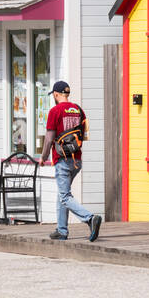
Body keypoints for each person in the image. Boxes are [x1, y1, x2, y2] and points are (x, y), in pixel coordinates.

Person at [39, 80, 102, 242]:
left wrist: (43, 157)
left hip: (62, 160)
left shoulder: (55, 111)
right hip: (77, 160)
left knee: (65, 196)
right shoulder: (79, 110)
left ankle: (90, 218)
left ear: (56, 94)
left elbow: (49, 138)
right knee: (62, 194)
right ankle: (61, 230)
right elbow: (84, 136)